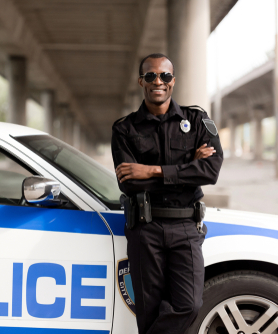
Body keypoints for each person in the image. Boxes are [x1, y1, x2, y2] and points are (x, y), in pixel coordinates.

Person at [111, 53, 223, 334]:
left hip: (186, 227)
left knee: (189, 305)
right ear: (141, 81)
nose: (157, 81)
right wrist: (188, 167)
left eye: (165, 76)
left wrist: (150, 171)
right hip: (145, 230)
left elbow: (210, 172)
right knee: (148, 312)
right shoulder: (125, 128)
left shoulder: (197, 121)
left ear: (173, 81)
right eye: (150, 76)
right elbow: (129, 183)